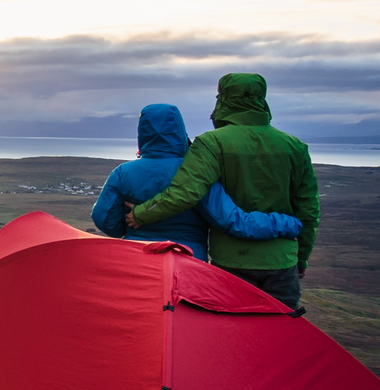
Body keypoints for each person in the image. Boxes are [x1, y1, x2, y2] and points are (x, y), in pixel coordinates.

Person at [129, 73, 318, 310]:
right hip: (282, 261)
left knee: (232, 338)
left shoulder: (211, 143)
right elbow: (308, 211)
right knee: (279, 339)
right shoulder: (295, 146)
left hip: (232, 262)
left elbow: (185, 192)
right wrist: (302, 258)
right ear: (262, 99)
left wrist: (140, 215)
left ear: (224, 100)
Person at [91, 104, 210, 259]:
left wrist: (129, 227)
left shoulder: (123, 172)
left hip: (137, 255)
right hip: (190, 256)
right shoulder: (198, 170)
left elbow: (104, 219)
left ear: (142, 131)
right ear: (180, 129)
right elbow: (219, 216)